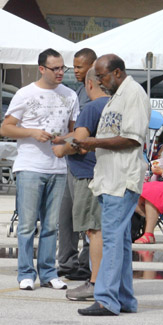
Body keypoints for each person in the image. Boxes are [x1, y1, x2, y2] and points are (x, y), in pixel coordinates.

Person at [74, 54, 150, 316]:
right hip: (108, 178)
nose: (100, 82)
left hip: (121, 178)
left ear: (117, 72)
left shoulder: (134, 94)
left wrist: (93, 142)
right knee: (121, 241)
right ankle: (125, 299)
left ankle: (106, 299)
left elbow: (132, 138)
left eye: (103, 76)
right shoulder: (115, 98)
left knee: (111, 239)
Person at [0, 48, 79, 291]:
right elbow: (6, 128)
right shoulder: (25, 94)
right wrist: (32, 132)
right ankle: (25, 272)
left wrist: (63, 140)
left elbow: (76, 131)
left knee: (51, 225)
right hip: (30, 165)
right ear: (41, 69)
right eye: (55, 68)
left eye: (62, 68)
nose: (60, 73)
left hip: (57, 167)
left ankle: (48, 272)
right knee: (26, 224)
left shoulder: (70, 95)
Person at [52, 67, 108, 301]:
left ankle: (95, 282)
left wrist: (60, 149)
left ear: (90, 85)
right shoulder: (116, 106)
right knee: (105, 230)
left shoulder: (92, 107)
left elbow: (81, 139)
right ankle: (107, 280)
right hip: (107, 172)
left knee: (94, 231)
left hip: (86, 174)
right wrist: (65, 137)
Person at [57, 47, 98, 282]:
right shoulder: (80, 91)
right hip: (72, 164)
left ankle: (85, 263)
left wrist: (64, 142)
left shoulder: (96, 97)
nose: (75, 71)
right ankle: (66, 262)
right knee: (67, 216)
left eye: (79, 67)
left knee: (86, 220)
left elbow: (84, 133)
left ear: (92, 65)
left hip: (86, 165)